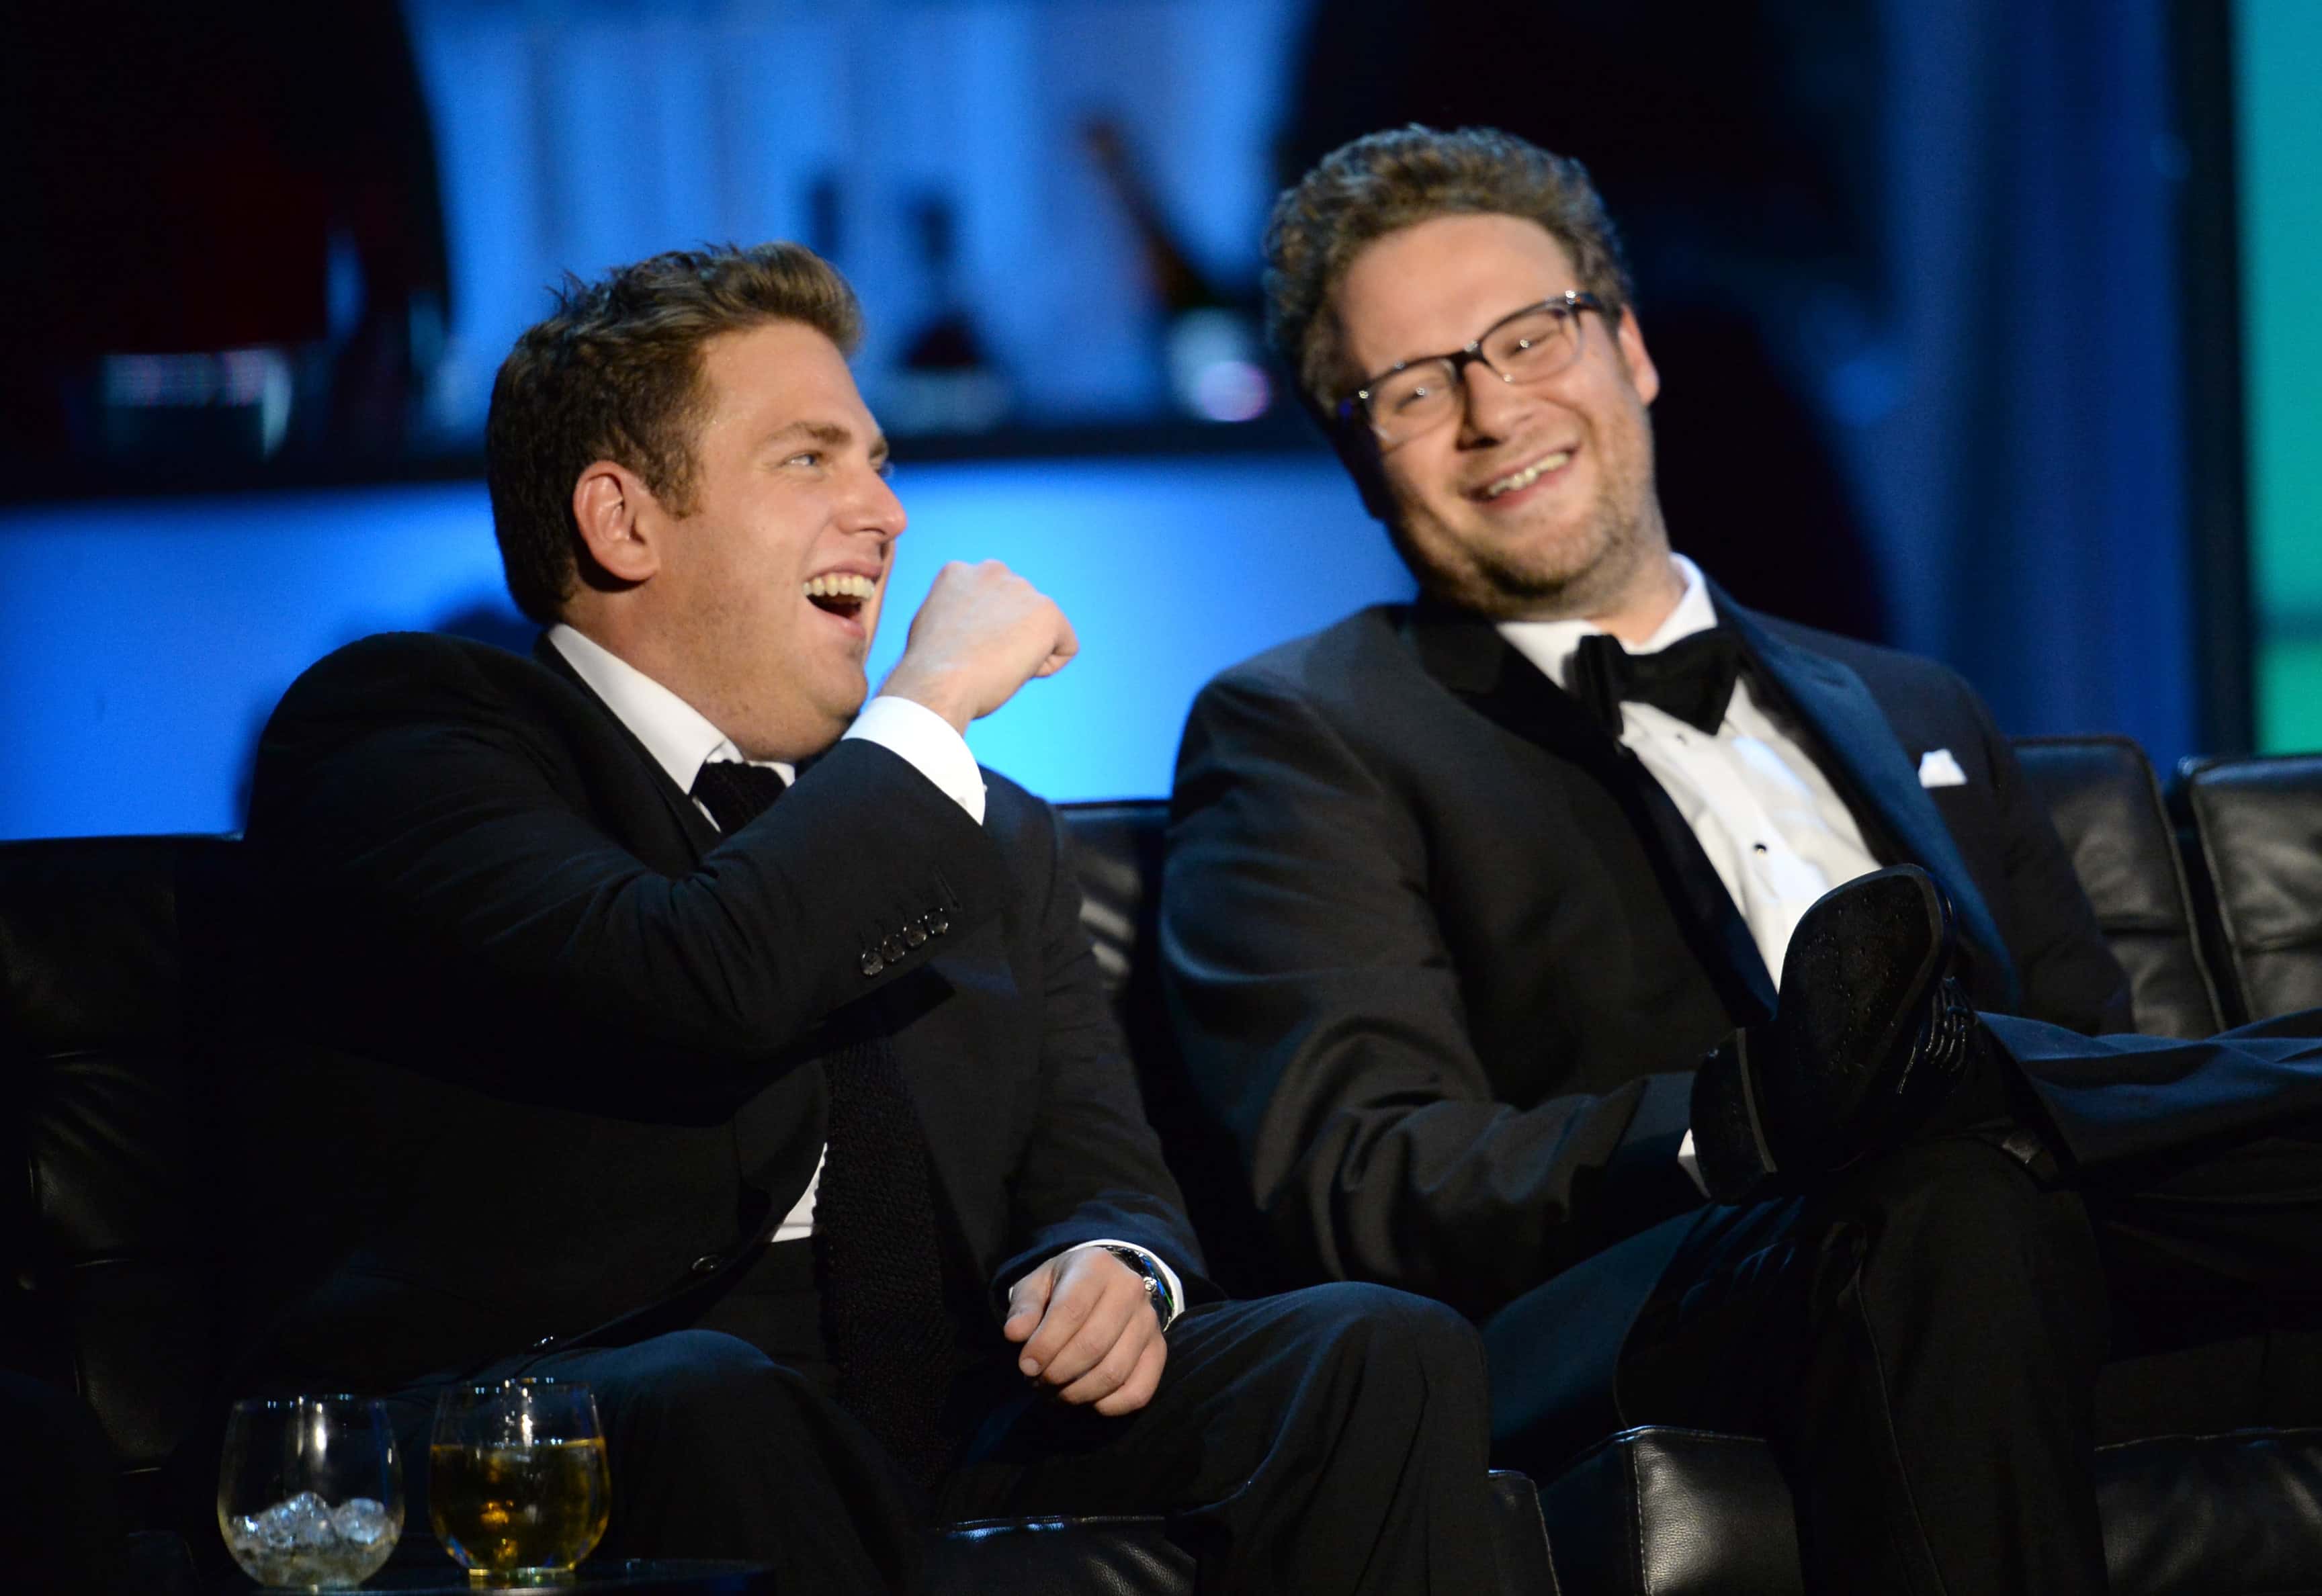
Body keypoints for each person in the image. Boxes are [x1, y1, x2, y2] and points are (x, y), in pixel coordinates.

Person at [202, 242, 1496, 1595]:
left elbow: (1104, 1170)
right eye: (812, 459)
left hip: (943, 1408)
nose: (884, 511)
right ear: (621, 521)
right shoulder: (415, 739)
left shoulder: (986, 830)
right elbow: (697, 973)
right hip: (563, 1416)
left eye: (878, 460)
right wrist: (926, 703)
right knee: (720, 1404)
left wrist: (1115, 1265)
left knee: (1374, 1349)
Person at [1160, 125, 2322, 1594]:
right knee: (1943, 1198)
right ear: (1354, 452)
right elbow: (1363, 1174)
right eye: (1413, 385)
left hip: (2031, 1232)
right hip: (1664, 1283)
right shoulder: (1303, 730)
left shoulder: (1914, 703)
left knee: (2059, 1156)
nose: (1491, 410)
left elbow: (2096, 1067)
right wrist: (1742, 1120)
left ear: (1630, 347)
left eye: (1528, 337)